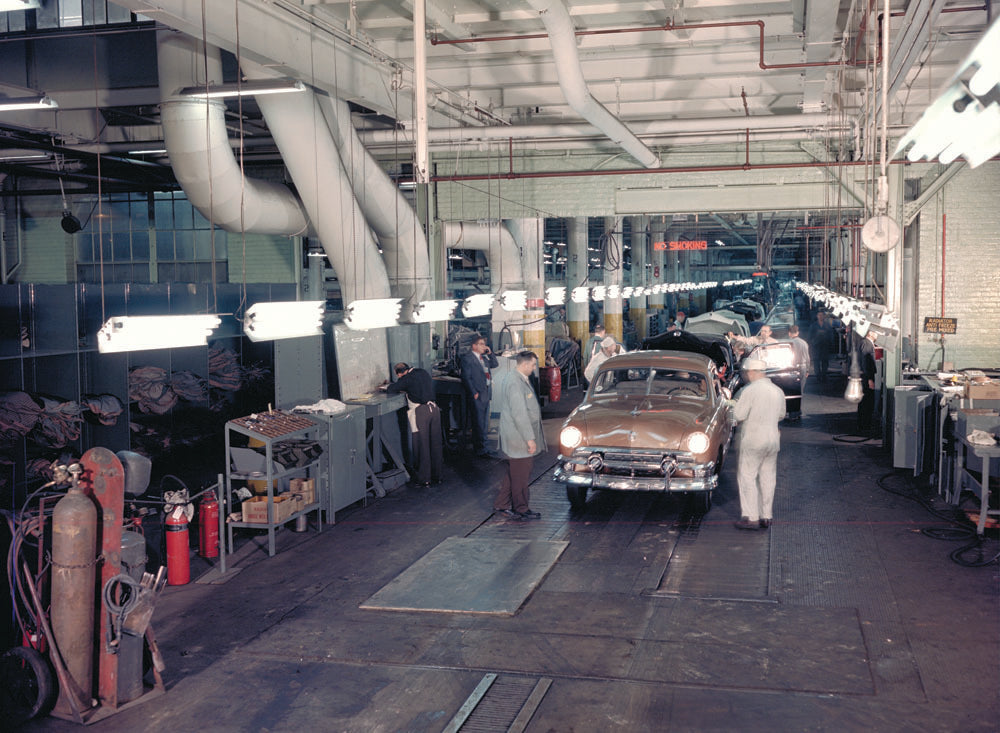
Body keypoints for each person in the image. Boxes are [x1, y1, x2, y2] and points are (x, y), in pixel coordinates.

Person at [732, 358, 786, 530]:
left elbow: (739, 415)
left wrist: (732, 407)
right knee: (768, 477)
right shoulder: (777, 391)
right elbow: (781, 415)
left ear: (751, 372)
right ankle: (766, 516)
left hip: (753, 439)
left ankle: (752, 517)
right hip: (772, 439)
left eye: (747, 373)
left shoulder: (750, 390)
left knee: (747, 476)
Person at [492, 350, 546, 520]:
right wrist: (529, 439)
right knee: (522, 473)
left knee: (514, 472)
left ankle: (501, 504)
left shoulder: (517, 378)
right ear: (524, 364)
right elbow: (519, 413)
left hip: (516, 434)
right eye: (532, 365)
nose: (533, 368)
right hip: (518, 436)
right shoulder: (515, 382)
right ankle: (521, 508)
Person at [383, 363, 443, 488]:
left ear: (399, 373)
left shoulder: (406, 379)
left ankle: (424, 479)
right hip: (435, 410)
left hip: (421, 413)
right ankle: (437, 476)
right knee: (435, 444)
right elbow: (415, 385)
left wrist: (391, 384)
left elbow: (391, 389)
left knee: (421, 446)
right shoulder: (422, 372)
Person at [459, 335, 499, 457]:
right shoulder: (468, 358)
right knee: (479, 422)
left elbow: (495, 364)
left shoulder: (484, 358)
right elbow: (466, 377)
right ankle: (481, 449)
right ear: (474, 346)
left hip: (486, 392)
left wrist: (490, 353)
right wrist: (473, 392)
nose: (484, 346)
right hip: (477, 394)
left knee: (485, 422)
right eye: (481, 344)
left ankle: (483, 447)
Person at [786, 325, 811, 421]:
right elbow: (807, 358)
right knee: (801, 390)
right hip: (803, 367)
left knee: (792, 391)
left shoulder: (789, 343)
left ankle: (793, 412)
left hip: (792, 368)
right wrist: (808, 370)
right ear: (798, 332)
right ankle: (798, 411)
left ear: (789, 333)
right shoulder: (804, 343)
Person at [856, 329, 878, 435]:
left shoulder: (868, 343)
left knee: (867, 400)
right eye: (876, 332)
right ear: (870, 333)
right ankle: (864, 425)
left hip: (867, 376)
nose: (877, 334)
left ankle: (865, 424)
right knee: (866, 401)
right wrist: (869, 378)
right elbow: (865, 362)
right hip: (866, 377)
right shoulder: (866, 343)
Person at [808, 311, 835, 382]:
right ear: (817, 316)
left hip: (825, 346)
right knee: (816, 361)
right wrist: (812, 344)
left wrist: (831, 344)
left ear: (824, 316)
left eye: (822, 315)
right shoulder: (813, 325)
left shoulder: (827, 325)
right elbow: (810, 336)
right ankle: (818, 376)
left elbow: (831, 335)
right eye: (819, 315)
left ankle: (824, 375)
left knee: (825, 361)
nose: (820, 316)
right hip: (816, 346)